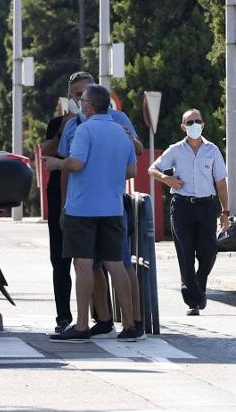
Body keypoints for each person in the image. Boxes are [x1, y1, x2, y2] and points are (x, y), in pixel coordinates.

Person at [47, 83, 139, 343]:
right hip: (112, 206)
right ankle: (130, 325)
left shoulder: (85, 130)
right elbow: (131, 171)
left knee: (83, 264)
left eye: (83, 100)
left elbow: (76, 163)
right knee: (115, 264)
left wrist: (56, 163)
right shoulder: (123, 133)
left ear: (89, 105)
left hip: (83, 208)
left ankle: (82, 325)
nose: (80, 104)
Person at [150, 108, 230, 315]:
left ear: (203, 124)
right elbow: (152, 169)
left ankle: (197, 285)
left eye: (198, 120)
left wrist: (225, 211)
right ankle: (194, 300)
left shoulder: (212, 150)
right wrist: (166, 179)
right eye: (190, 122)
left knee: (209, 252)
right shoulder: (176, 150)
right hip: (182, 206)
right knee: (185, 253)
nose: (194, 124)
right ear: (183, 127)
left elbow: (220, 182)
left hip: (205, 206)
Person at [39, 72, 91, 334]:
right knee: (60, 258)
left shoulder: (105, 123)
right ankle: (63, 317)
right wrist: (62, 129)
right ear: (70, 97)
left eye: (87, 93)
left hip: (90, 195)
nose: (82, 99)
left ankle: (96, 315)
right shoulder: (59, 123)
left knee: (91, 260)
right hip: (59, 193)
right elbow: (46, 151)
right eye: (77, 94)